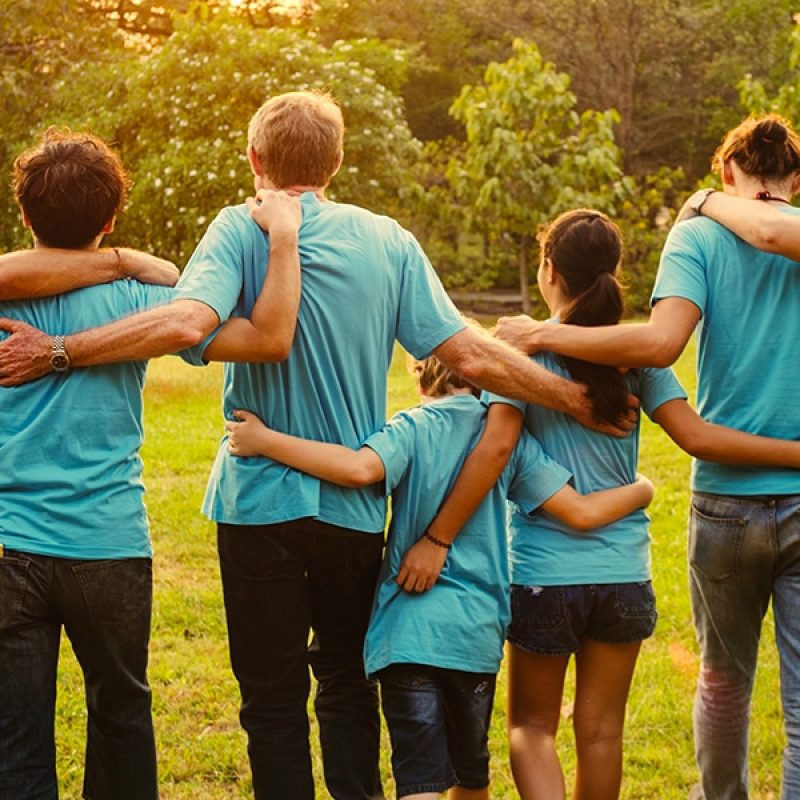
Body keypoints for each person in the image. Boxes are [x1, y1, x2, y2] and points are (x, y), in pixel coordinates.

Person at [0, 91, 636, 800]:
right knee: (344, 684)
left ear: (255, 160)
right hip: (353, 508)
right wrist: (576, 399)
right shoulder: (387, 240)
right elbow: (473, 356)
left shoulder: (238, 230)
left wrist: (59, 346)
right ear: (337, 161)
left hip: (257, 500)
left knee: (270, 699)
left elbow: (184, 321)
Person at [490, 115, 800, 799]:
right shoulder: (642, 367)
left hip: (680, 520)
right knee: (612, 730)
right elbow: (677, 409)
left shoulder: (696, 237)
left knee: (713, 680)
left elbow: (499, 437)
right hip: (625, 575)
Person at [0, 129, 301, 800]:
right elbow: (231, 317)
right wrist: (129, 263)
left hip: (8, 545)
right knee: (122, 716)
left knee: (15, 739)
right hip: (107, 544)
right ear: (109, 220)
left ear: (24, 216)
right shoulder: (143, 302)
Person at [223, 339, 655, 800]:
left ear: (421, 375)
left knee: (421, 778)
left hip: (408, 634)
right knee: (470, 775)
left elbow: (358, 469)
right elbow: (579, 511)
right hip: (474, 637)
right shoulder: (509, 440)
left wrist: (265, 441)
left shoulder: (413, 427)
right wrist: (642, 489)